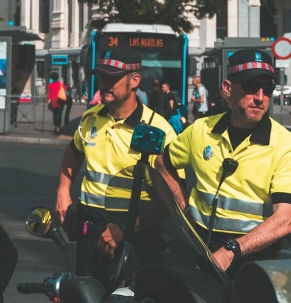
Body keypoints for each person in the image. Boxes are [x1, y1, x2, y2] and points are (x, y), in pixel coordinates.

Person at [156, 49, 291, 277]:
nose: (259, 97)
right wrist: (182, 206)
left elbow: (285, 219)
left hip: (255, 264)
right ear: (228, 88)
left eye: (267, 89)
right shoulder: (201, 130)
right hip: (199, 257)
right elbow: (162, 163)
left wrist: (231, 251)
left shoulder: (284, 143)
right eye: (250, 87)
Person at [55, 49, 177, 285]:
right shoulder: (90, 118)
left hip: (134, 237)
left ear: (135, 81)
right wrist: (62, 191)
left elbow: (170, 199)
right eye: (102, 77)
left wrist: (124, 229)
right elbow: (73, 152)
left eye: (113, 78)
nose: (105, 84)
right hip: (89, 232)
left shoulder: (157, 129)